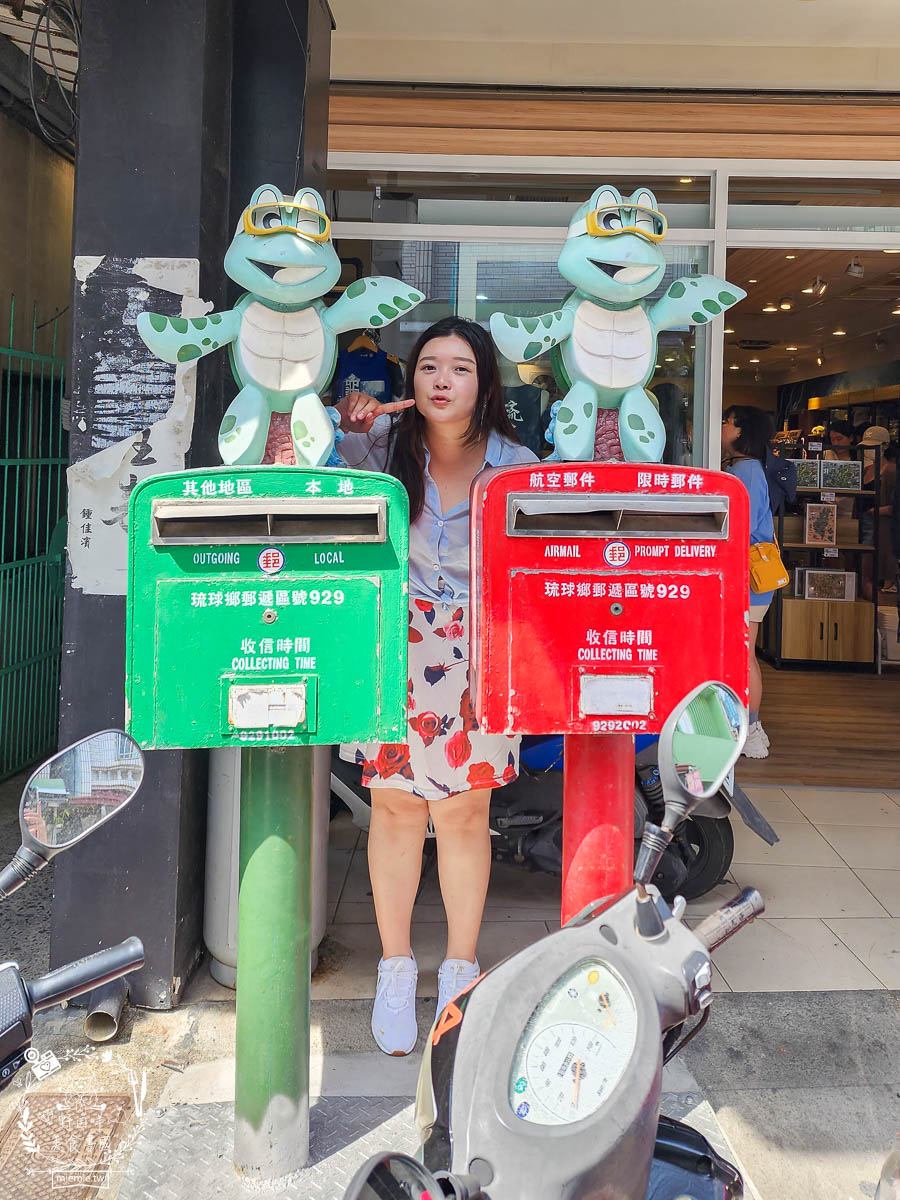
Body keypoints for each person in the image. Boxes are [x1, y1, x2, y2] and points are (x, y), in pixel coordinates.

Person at [335, 316, 539, 1056]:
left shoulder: (516, 463)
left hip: (483, 650)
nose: (442, 380)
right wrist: (346, 424)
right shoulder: (383, 448)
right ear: (410, 380)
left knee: (462, 813)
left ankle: (459, 969)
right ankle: (395, 968)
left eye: (458, 368)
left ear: (483, 383)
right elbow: (322, 488)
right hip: (395, 644)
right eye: (428, 367)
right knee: (391, 811)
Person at [721, 405, 775, 760]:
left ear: (741, 432)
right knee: (743, 652)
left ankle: (751, 729)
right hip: (750, 575)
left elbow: (742, 526)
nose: (722, 427)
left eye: (726, 422)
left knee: (743, 653)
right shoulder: (744, 469)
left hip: (749, 575)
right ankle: (748, 727)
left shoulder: (747, 471)